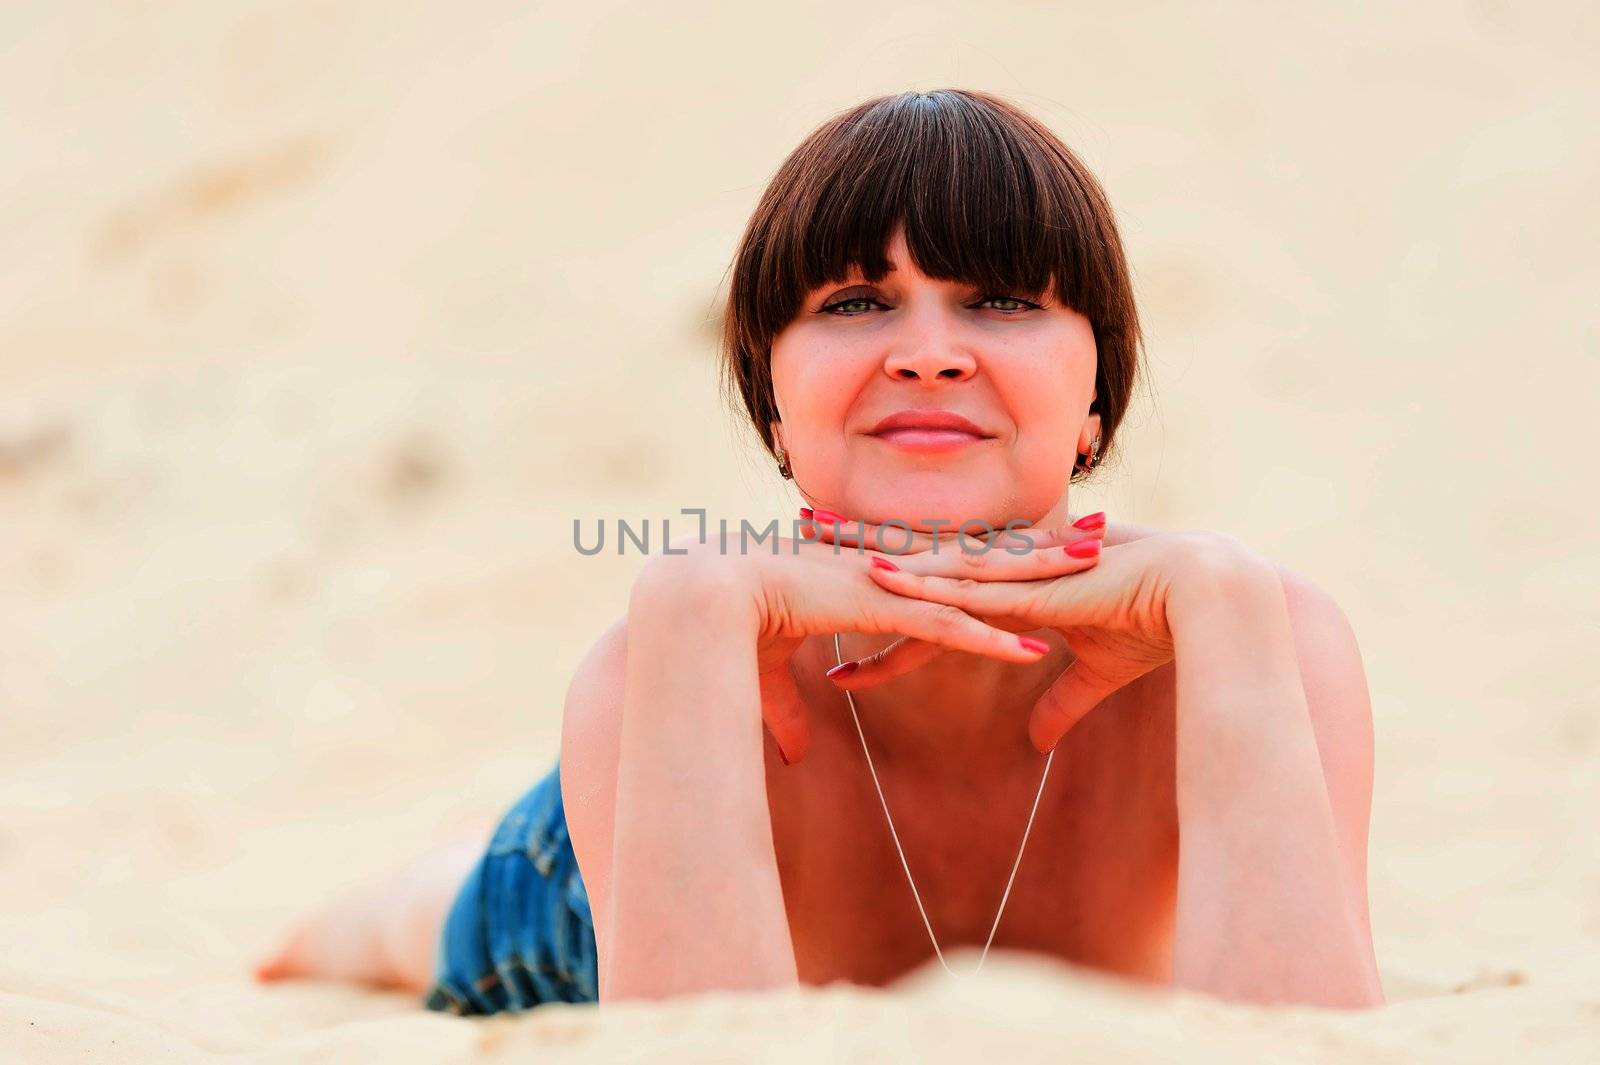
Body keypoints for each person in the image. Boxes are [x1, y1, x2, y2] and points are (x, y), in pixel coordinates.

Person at [257, 88, 1384, 1012]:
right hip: (605, 884)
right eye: (854, 302)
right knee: (413, 918)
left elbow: (1303, 1042)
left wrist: (1225, 601)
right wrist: (691, 604)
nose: (930, 355)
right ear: (773, 411)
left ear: (1097, 402)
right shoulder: (665, 657)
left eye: (998, 298)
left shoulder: (1258, 641)